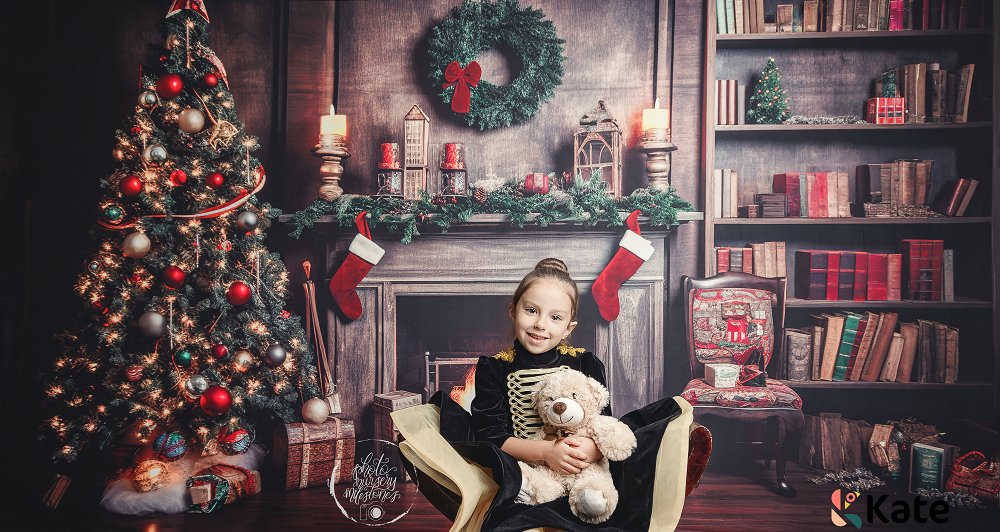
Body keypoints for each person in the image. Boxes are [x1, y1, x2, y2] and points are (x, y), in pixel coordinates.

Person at [390, 259, 695, 532]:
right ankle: (528, 498)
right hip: (523, 467)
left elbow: (602, 422)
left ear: (569, 327)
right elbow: (492, 435)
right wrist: (547, 452)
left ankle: (592, 499)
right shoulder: (494, 368)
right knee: (496, 477)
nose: (540, 324)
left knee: (642, 431)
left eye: (555, 317)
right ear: (514, 310)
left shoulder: (585, 363)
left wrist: (591, 450)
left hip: (582, 466)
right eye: (532, 310)